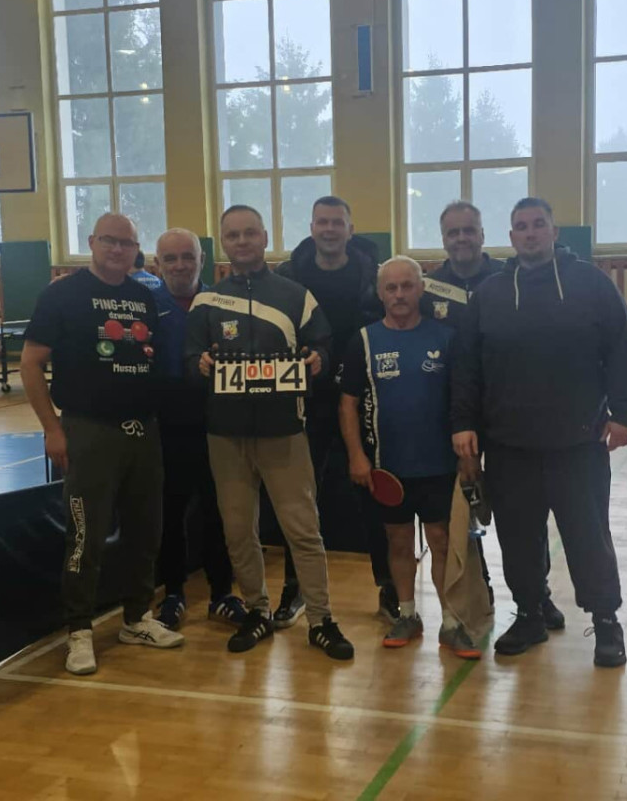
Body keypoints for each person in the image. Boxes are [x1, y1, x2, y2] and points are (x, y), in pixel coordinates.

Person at [450, 197, 627, 668]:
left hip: (578, 441)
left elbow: (622, 348)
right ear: (511, 237)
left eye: (539, 225)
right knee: (518, 538)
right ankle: (530, 613)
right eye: (521, 226)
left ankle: (606, 621)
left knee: (588, 535)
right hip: (509, 445)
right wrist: (463, 422)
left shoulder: (591, 284)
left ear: (555, 232)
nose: (530, 233)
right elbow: (467, 367)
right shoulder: (490, 295)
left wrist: (624, 413)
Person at [184, 204, 354, 660]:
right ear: (223, 243)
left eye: (250, 233)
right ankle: (257, 611)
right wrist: (199, 365)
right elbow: (188, 358)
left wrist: (317, 360)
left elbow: (323, 346)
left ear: (264, 237)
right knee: (239, 530)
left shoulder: (297, 295)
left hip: (284, 431)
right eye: (233, 235)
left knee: (303, 529)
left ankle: (321, 619)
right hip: (226, 436)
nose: (242, 241)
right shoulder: (206, 302)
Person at [21, 213, 185, 676]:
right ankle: (79, 632)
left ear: (136, 250)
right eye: (109, 241)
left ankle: (137, 618)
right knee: (85, 536)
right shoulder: (61, 295)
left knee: (145, 531)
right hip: (88, 430)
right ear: (92, 242)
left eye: (126, 243)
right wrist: (52, 428)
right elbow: (31, 363)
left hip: (143, 431)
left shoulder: (144, 296)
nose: (117, 250)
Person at [339, 257, 482, 658]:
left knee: (441, 541)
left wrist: (468, 458)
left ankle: (452, 623)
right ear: (380, 293)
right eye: (391, 288)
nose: (399, 294)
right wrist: (356, 456)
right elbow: (348, 404)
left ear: (421, 289)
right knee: (399, 541)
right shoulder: (363, 340)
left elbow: (464, 399)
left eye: (407, 286)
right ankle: (406, 614)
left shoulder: (447, 337)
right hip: (387, 467)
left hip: (439, 465)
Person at [272, 196, 397, 626]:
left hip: (364, 399)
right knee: (300, 499)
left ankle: (390, 588)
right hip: (307, 402)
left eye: (337, 222)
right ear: (311, 227)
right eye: (322, 222)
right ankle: (296, 588)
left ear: (350, 228)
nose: (329, 229)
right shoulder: (289, 276)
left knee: (374, 495)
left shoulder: (374, 276)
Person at [150, 228, 245, 631]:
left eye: (187, 256)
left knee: (218, 510)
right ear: (157, 264)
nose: (179, 265)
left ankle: (222, 593)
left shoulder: (221, 303)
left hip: (218, 421)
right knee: (170, 512)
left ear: (202, 260)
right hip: (167, 425)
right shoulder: (145, 306)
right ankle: (172, 593)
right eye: (170, 258)